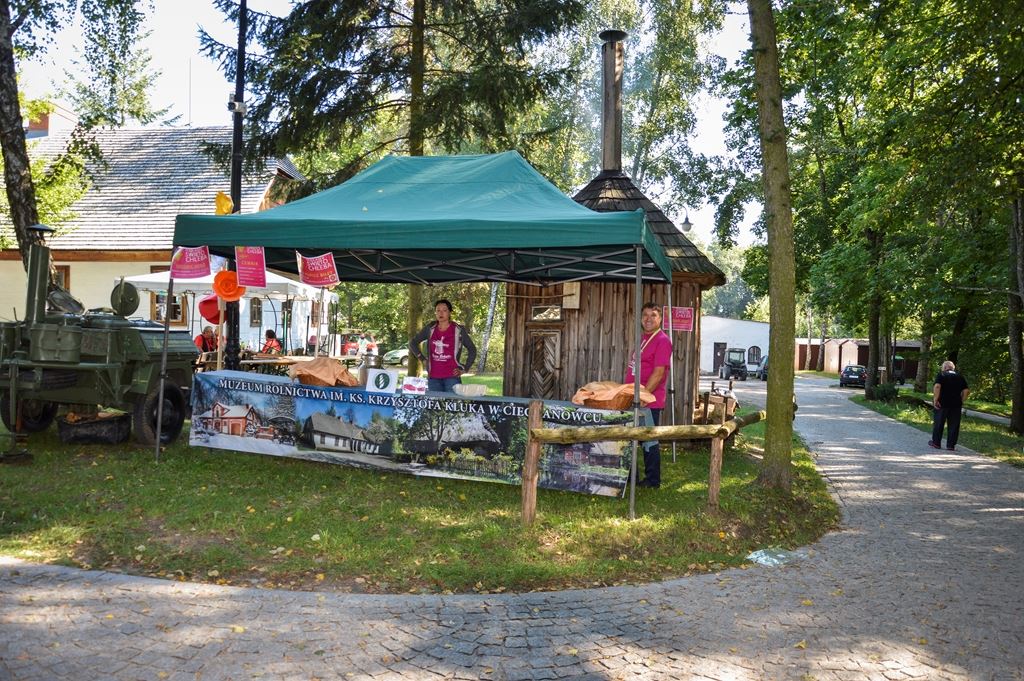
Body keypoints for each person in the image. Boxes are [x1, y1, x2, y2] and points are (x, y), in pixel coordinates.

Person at [625, 302, 672, 488]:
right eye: (645, 315)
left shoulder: (662, 340)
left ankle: (653, 480)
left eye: (653, 315)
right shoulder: (644, 338)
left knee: (648, 441)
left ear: (660, 319)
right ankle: (631, 476)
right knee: (632, 438)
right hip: (636, 397)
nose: (648, 319)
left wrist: (643, 396)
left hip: (648, 400)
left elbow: (659, 373)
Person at [410, 299, 477, 393]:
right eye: (438, 310)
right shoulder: (430, 328)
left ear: (450, 312)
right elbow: (413, 343)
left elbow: (472, 349)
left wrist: (465, 368)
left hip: (452, 377)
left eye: (444, 310)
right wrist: (423, 359)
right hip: (433, 378)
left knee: (451, 402)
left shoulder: (458, 330)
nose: (440, 313)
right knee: (435, 402)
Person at [929, 360, 969, 451]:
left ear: (944, 368)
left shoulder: (941, 375)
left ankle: (936, 443)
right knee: (954, 425)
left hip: (942, 403)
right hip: (956, 405)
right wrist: (961, 400)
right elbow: (966, 391)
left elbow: (937, 386)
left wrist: (935, 399)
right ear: (953, 368)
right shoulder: (960, 376)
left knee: (939, 423)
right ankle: (951, 445)